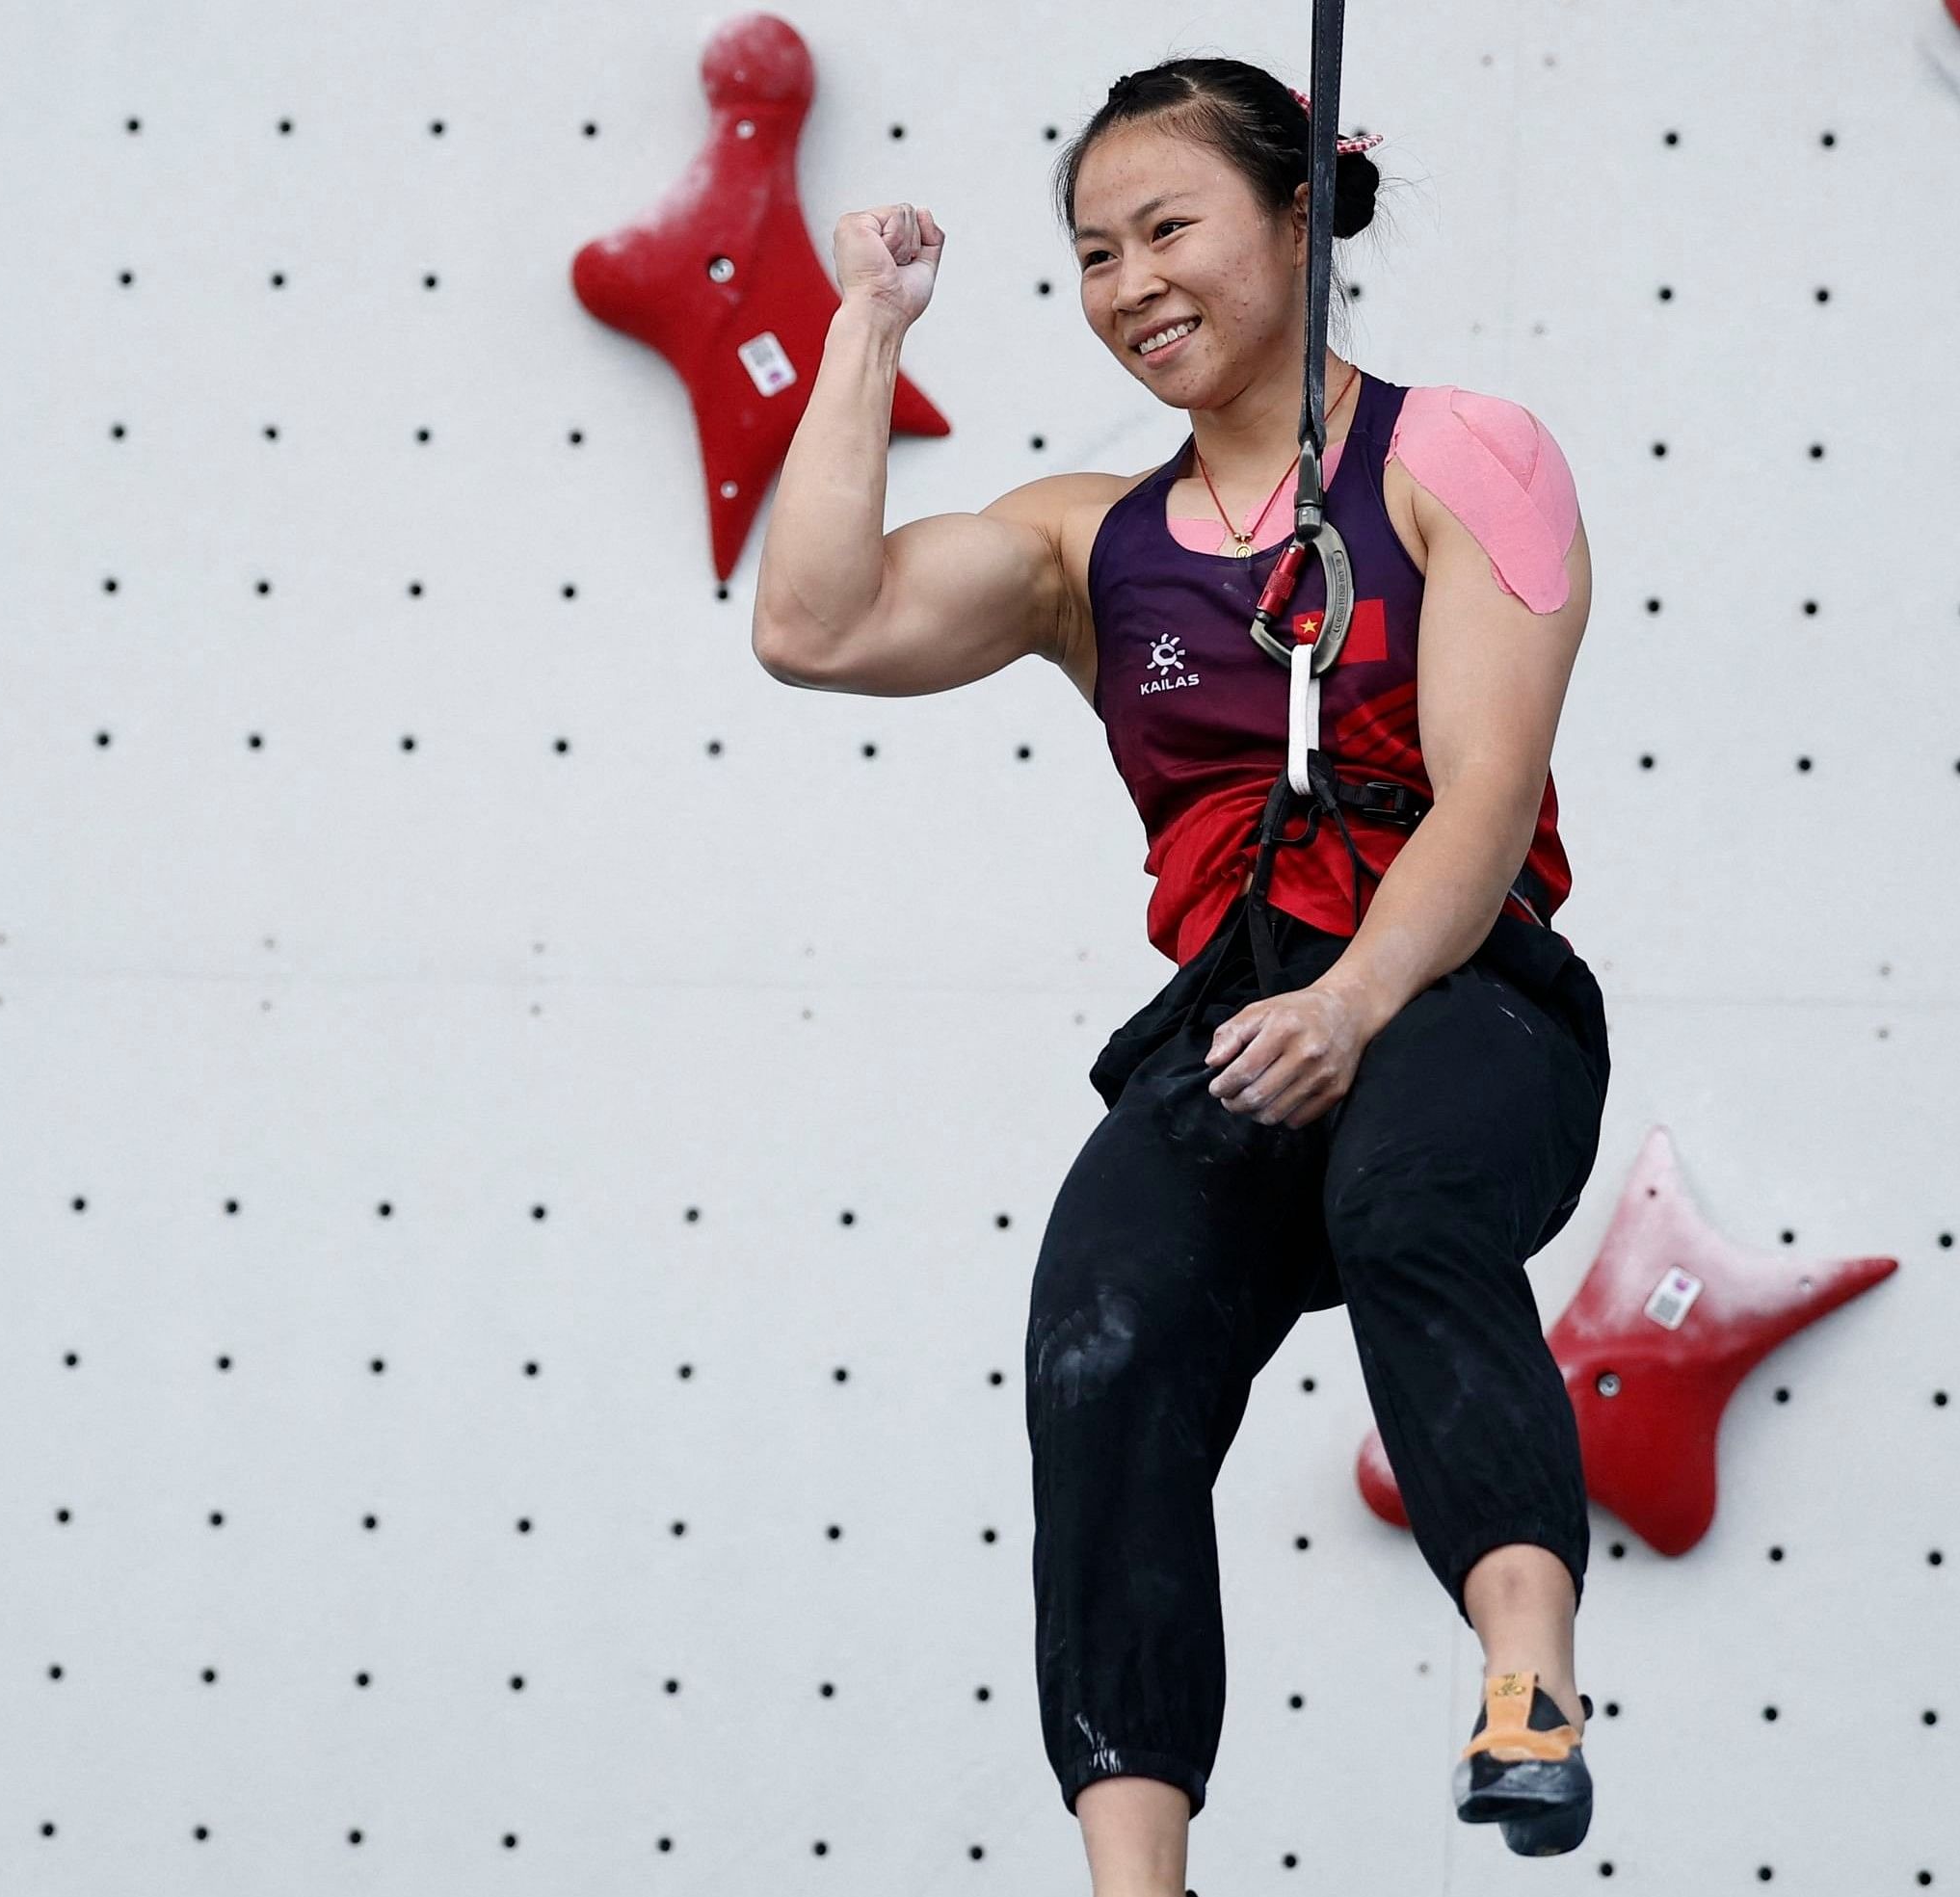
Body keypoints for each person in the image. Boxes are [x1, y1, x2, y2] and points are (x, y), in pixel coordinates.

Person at [750, 54, 1610, 1887]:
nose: (1131, 282)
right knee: (1099, 1341)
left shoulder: (1461, 456)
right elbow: (813, 626)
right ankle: (1139, 1874)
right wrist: (868, 328)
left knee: (1407, 1205)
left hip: (1459, 999)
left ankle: (1527, 1679)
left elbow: (1483, 801)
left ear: (1301, 222)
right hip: (1233, 1015)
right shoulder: (1089, 539)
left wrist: (1356, 1007)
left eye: (1169, 228)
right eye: (1092, 253)